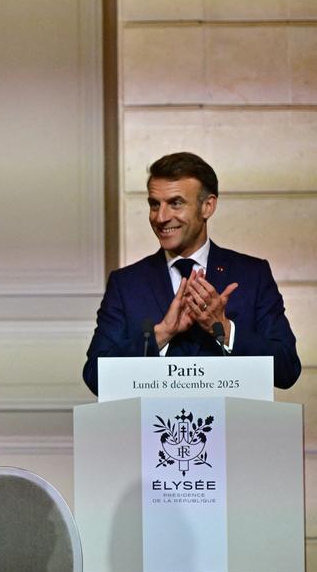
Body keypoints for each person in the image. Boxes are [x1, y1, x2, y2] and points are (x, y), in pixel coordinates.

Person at [83, 151, 300, 395]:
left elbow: (287, 369)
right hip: (153, 430)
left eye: (175, 203)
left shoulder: (252, 275)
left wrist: (225, 329)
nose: (161, 217)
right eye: (155, 204)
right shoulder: (126, 283)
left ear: (207, 206)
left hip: (235, 429)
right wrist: (161, 334)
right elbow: (95, 376)